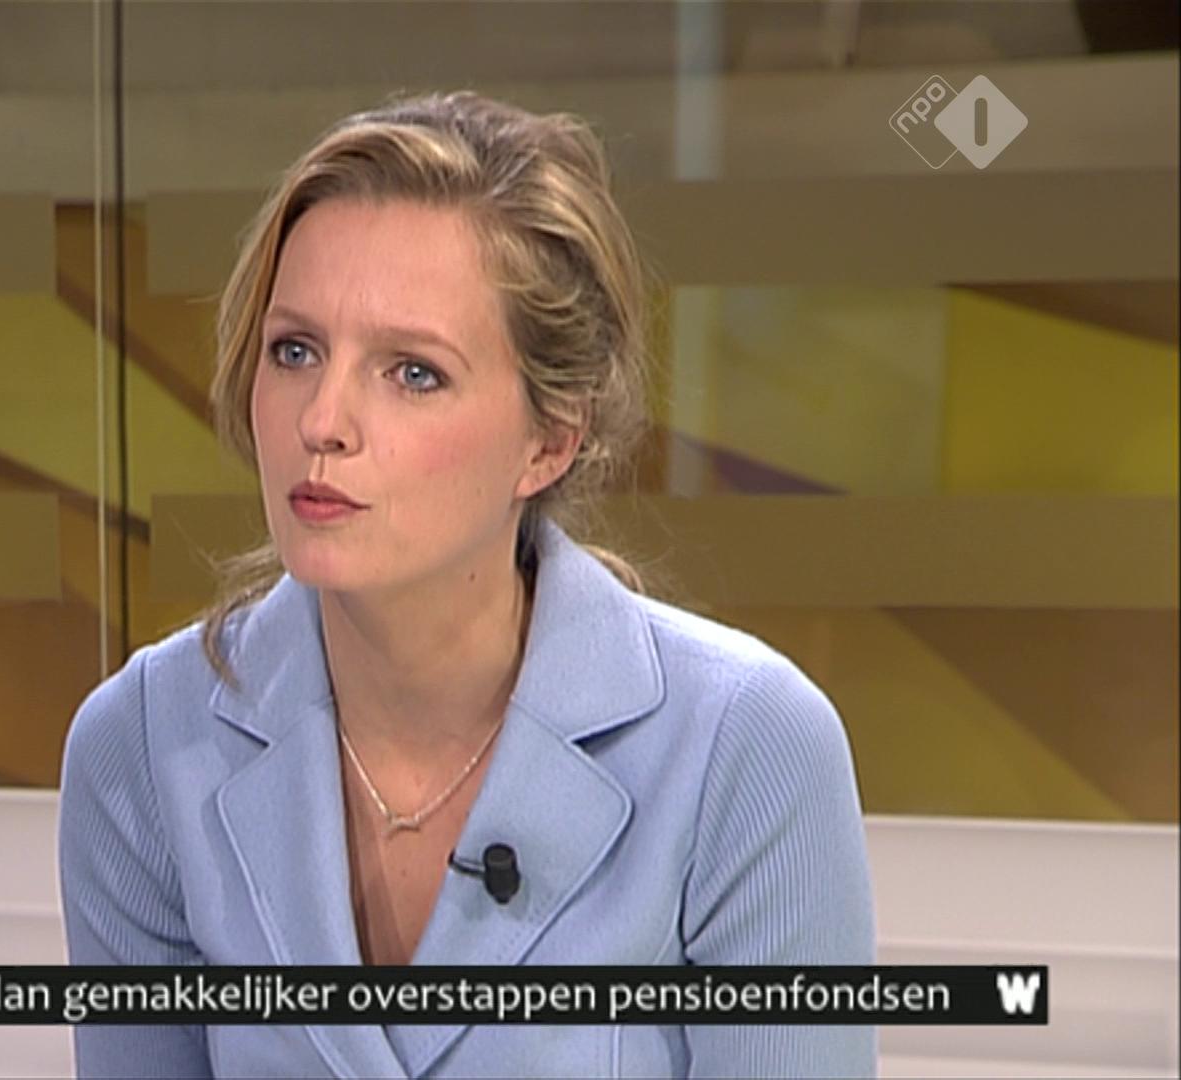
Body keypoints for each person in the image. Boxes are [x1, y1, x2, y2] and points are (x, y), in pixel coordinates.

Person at [57, 91, 874, 1079]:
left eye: (413, 372)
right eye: (295, 351)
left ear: (550, 440)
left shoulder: (744, 748)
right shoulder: (144, 750)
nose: (323, 421)